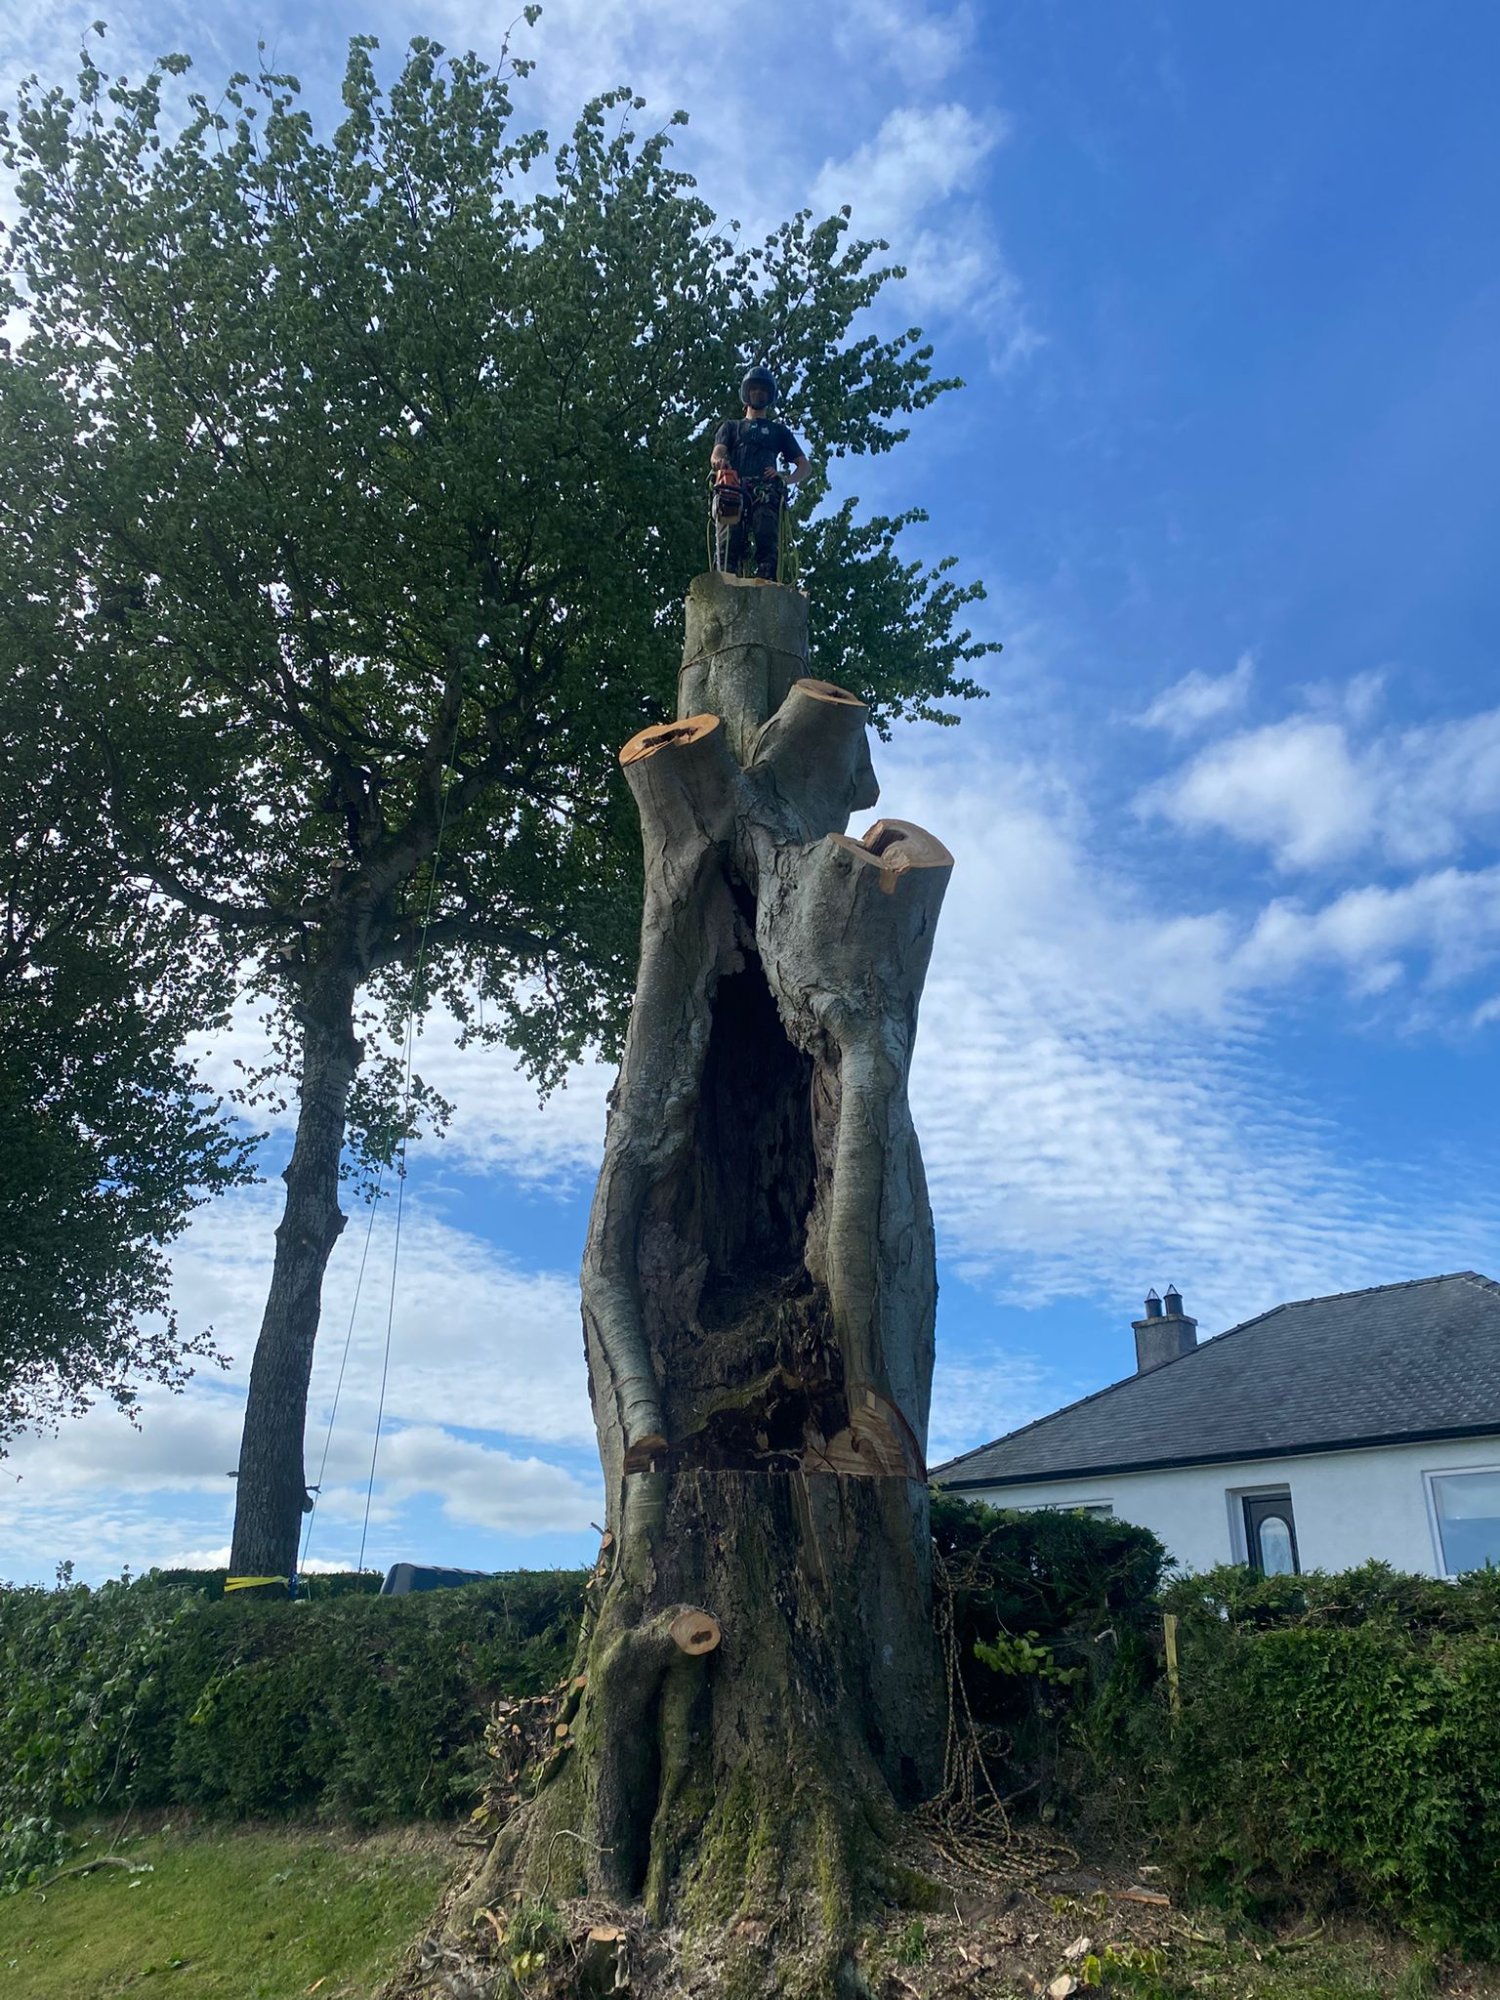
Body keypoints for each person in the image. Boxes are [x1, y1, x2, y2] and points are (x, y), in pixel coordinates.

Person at [710, 366, 811, 580]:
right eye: (754, 389)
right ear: (747, 393)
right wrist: (719, 462)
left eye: (763, 390)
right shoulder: (731, 427)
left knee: (766, 536)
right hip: (734, 488)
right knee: (728, 542)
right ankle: (724, 582)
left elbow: (804, 465)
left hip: (764, 490)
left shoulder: (778, 431)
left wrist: (784, 479)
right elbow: (718, 451)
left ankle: (766, 584)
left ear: (769, 396)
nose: (758, 393)